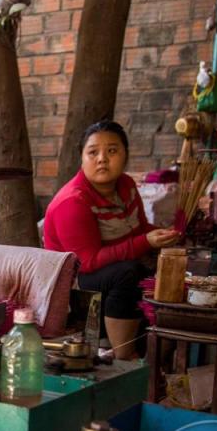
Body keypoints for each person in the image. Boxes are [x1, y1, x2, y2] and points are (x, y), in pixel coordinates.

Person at [44, 120, 180, 358]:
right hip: (74, 281)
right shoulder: (73, 202)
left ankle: (156, 349)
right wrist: (145, 242)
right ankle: (123, 354)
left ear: (125, 155)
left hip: (107, 270)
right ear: (82, 158)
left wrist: (164, 234)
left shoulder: (125, 185)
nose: (102, 159)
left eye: (112, 151)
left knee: (167, 265)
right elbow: (87, 261)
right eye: (93, 152)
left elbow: (138, 229)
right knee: (128, 273)